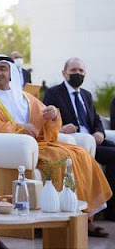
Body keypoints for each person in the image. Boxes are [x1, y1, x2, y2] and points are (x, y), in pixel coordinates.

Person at [0, 55, 112, 236]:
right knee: (60, 160)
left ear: (11, 72)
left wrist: (53, 115)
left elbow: (44, 123)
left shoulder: (25, 97)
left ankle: (84, 216)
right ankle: (59, 220)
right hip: (16, 148)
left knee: (81, 153)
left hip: (39, 144)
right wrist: (20, 128)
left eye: (3, 69)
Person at [44, 57, 115, 223]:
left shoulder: (86, 94)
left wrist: (99, 132)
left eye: (81, 71)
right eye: (73, 71)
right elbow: (46, 120)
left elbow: (96, 118)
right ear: (64, 73)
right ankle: (111, 211)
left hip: (94, 140)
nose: (77, 74)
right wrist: (60, 128)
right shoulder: (53, 93)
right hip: (76, 142)